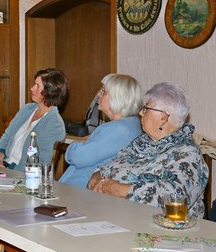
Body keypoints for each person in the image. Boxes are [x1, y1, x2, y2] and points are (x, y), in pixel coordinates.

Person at [87, 82, 208, 218]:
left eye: (146, 109)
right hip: (117, 217)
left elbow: (177, 197)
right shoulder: (142, 142)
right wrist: (95, 178)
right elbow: (107, 168)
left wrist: (121, 190)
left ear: (163, 117)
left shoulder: (187, 154)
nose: (140, 113)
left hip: (162, 230)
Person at [59, 74, 143, 188]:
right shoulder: (128, 125)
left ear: (118, 98)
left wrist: (74, 145)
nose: (98, 94)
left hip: (83, 194)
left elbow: (78, 157)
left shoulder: (119, 129)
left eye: (104, 91)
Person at [0, 68, 67, 171]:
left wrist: (9, 171)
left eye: (37, 86)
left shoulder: (55, 124)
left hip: (23, 176)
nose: (32, 88)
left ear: (50, 92)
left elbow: (42, 164)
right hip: (4, 167)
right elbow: (6, 136)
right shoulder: (27, 109)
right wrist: (0, 154)